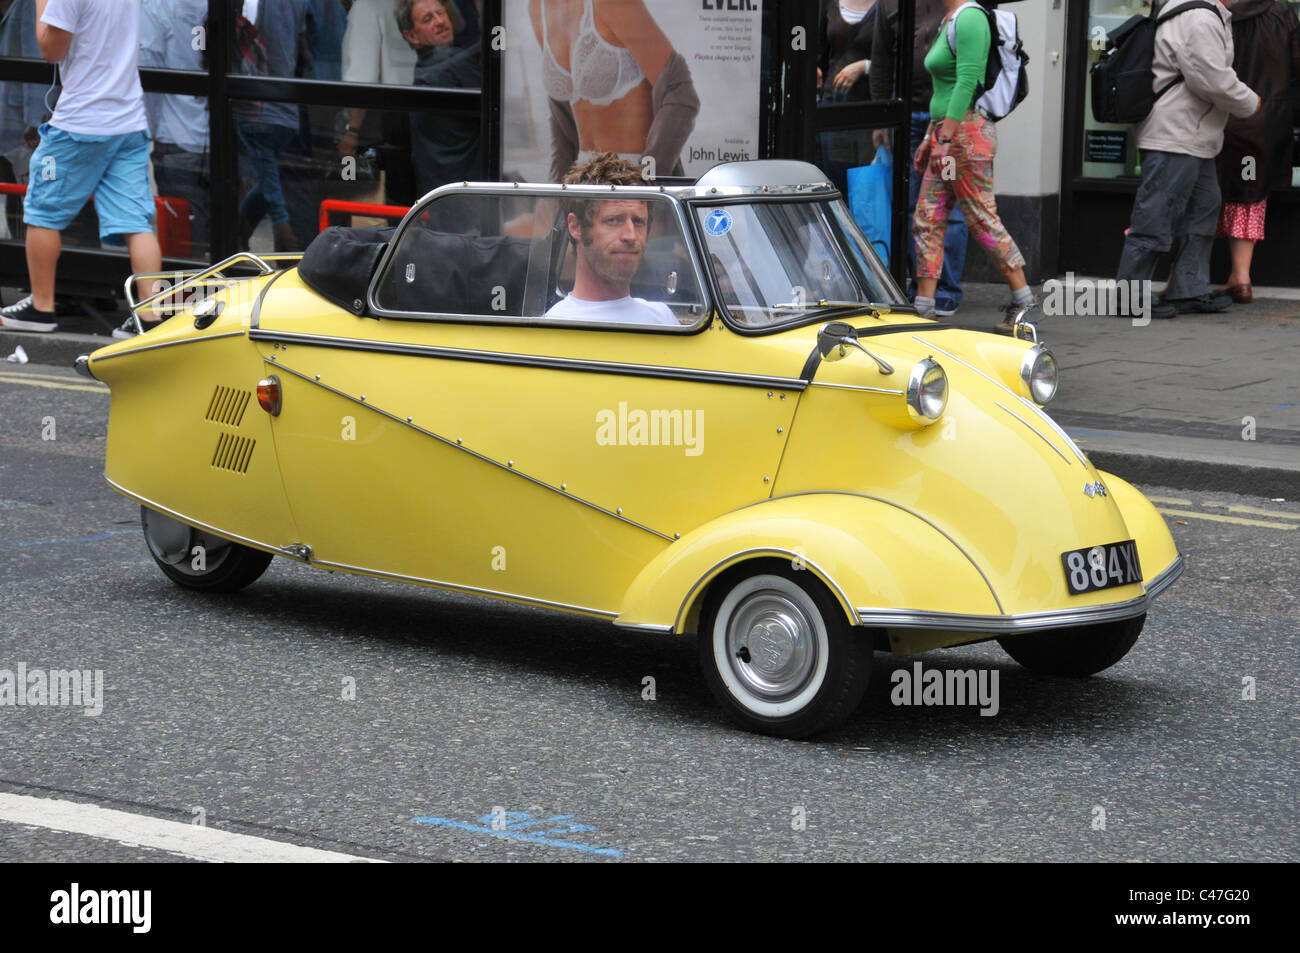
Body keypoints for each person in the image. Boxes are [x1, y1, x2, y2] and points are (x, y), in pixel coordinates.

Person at [0, 0, 162, 335]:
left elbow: (51, 49)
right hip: (128, 121)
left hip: (79, 126)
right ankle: (149, 317)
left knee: (42, 212)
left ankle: (41, 308)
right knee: (136, 222)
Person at [1115, 0, 1260, 318]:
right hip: (1175, 134)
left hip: (1194, 135)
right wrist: (1251, 102)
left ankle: (1188, 289)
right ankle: (1129, 296)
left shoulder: (1204, 13)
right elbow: (1211, 79)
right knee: (1156, 214)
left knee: (1202, 208)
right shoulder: (1199, 16)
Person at [911, 0, 1031, 333]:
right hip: (946, 137)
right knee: (929, 217)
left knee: (980, 217)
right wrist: (930, 138)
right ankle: (924, 308)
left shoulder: (970, 18)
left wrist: (946, 137)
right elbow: (943, 89)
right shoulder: (949, 20)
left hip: (964, 137)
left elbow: (967, 82)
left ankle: (1023, 301)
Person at [871, 0, 968, 317]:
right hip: (908, 119)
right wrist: (881, 116)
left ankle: (946, 292)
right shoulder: (890, 4)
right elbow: (882, 61)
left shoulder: (959, 5)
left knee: (950, 205)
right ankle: (919, 289)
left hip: (952, 121)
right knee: (913, 206)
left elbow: (973, 69)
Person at [529, 0, 699, 182]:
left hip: (631, 175)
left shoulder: (612, 3)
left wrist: (648, 183)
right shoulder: (538, 7)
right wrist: (556, 194)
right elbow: (561, 115)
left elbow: (681, 92)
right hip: (583, 179)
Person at [1214, 0, 1300, 304]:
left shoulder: (1215, 13)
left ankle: (1205, 275)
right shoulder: (1283, 13)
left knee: (1211, 195)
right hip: (1268, 121)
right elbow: (1295, 69)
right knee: (1250, 196)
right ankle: (1241, 276)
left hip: (1224, 118)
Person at [543, 152, 676, 327]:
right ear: (575, 227)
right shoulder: (552, 327)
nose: (630, 236)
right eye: (613, 220)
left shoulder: (663, 318)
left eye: (638, 221)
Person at [140, 0, 210, 259]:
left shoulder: (157, 8)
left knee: (183, 246)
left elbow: (148, 75)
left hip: (176, 136)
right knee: (217, 240)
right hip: (218, 135)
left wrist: (148, 130)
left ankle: (190, 298)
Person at [817, 0, 878, 195]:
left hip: (872, 109)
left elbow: (898, 57)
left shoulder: (890, 6)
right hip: (834, 105)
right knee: (835, 182)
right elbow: (811, 44)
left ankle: (861, 227)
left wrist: (865, 67)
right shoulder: (828, 4)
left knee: (866, 186)